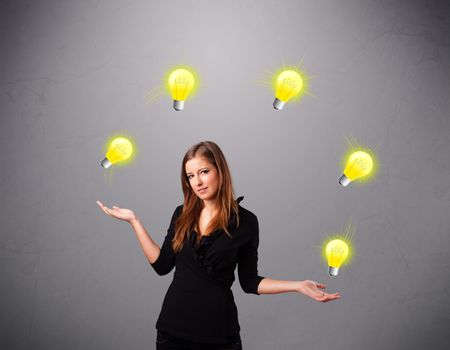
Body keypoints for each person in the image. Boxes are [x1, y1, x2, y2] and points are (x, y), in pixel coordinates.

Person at [97, 141, 340, 350]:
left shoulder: (246, 222)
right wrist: (134, 221)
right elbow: (162, 265)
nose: (197, 182)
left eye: (204, 172)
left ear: (219, 171)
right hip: (172, 334)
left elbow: (249, 282)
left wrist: (297, 285)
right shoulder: (181, 214)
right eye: (190, 176)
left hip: (218, 336)